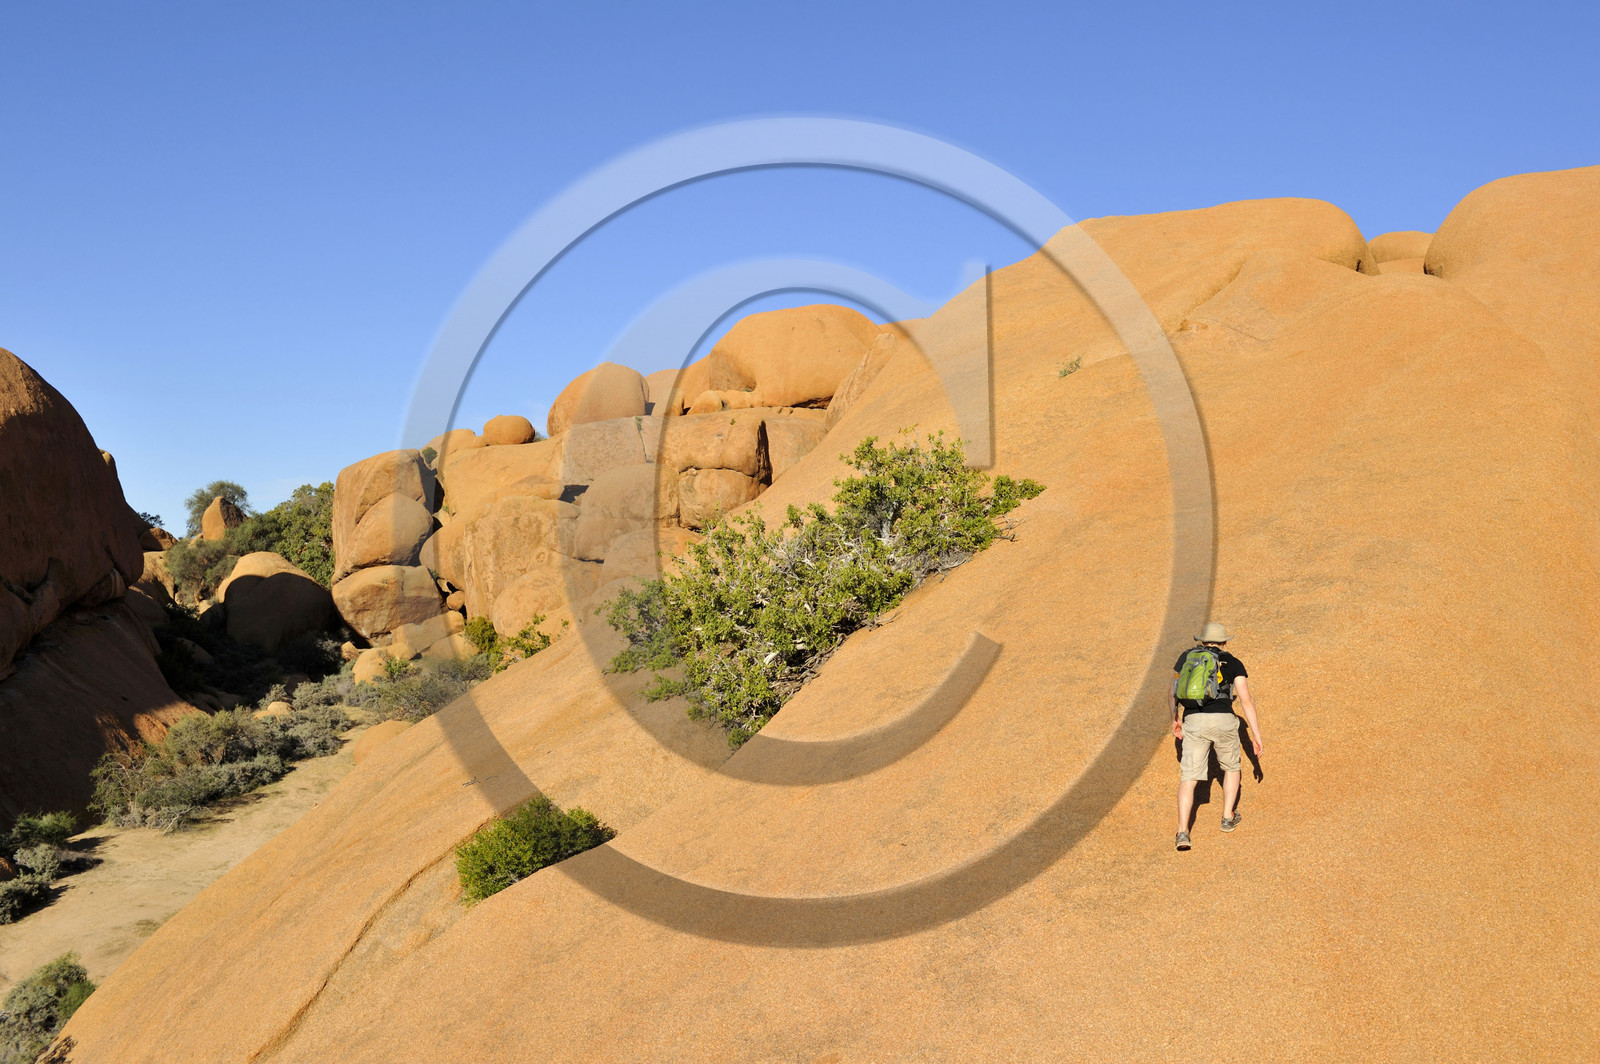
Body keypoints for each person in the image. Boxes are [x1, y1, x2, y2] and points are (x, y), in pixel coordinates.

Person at [1171, 622, 1262, 851]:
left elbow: (1173, 691)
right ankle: (1227, 817)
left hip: (1194, 720)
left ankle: (1183, 832)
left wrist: (1175, 717)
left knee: (1189, 778)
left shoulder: (1186, 658)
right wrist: (1256, 735)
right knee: (1231, 767)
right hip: (1223, 719)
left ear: (1202, 640)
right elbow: (1246, 700)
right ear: (1225, 641)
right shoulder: (1232, 662)